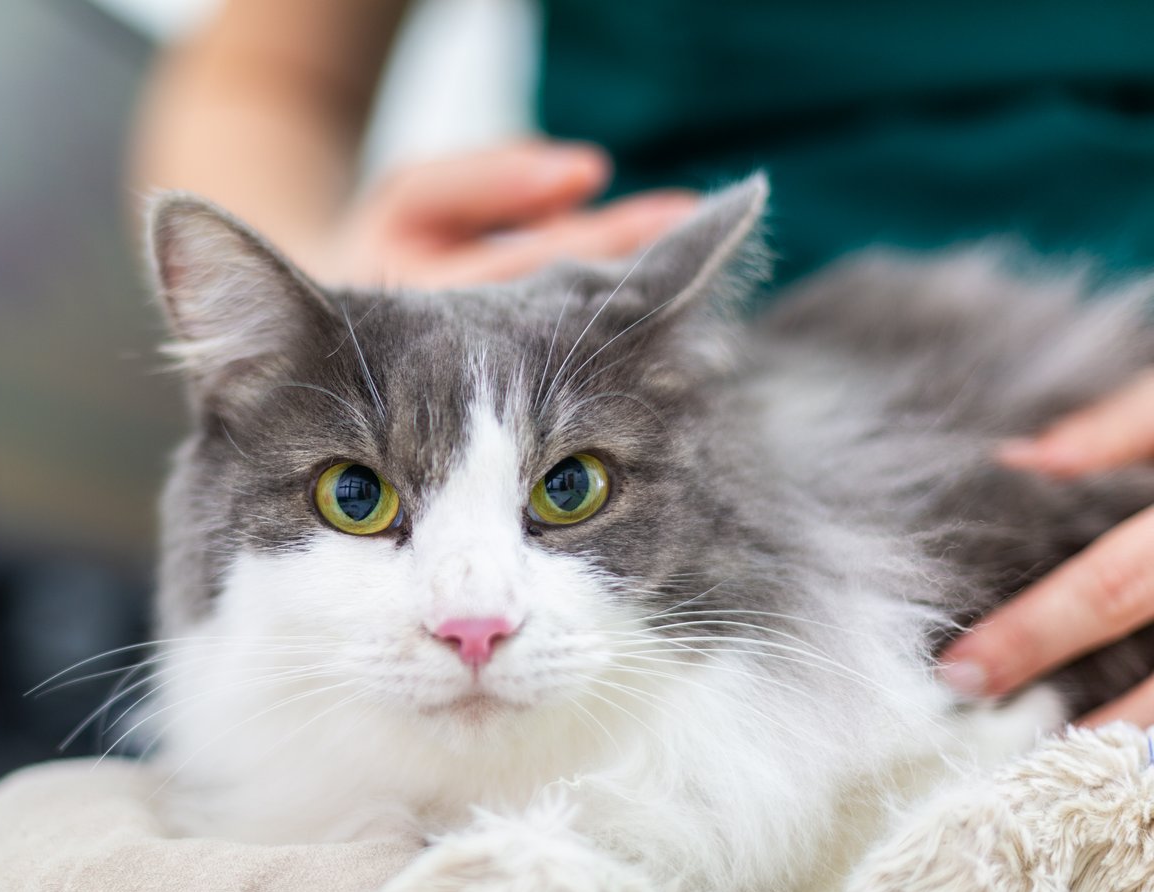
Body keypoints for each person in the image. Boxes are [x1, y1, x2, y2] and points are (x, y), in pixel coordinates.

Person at [130, 0, 1154, 726]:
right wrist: (326, 326)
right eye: (357, 499)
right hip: (606, 345)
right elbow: (273, 74)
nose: (472, 620)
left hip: (1051, 400)